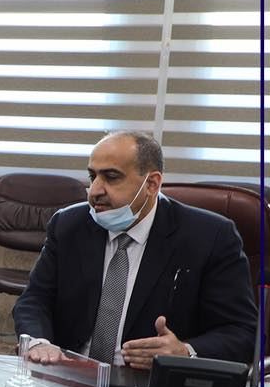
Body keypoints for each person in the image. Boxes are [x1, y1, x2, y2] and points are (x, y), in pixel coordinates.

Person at [13, 130, 257, 370]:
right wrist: (39, 343)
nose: (95, 191)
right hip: (70, 373)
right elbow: (35, 299)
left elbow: (242, 332)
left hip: (151, 384)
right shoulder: (69, 225)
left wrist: (184, 352)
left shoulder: (209, 236)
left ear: (152, 184)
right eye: (92, 176)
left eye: (111, 177)